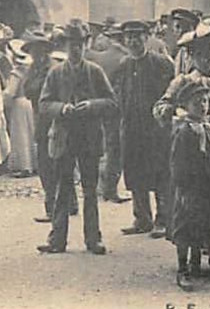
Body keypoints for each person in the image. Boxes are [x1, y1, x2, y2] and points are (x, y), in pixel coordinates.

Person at [37, 19, 118, 256]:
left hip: (89, 138)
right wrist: (62, 108)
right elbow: (44, 104)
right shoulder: (56, 73)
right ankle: (57, 240)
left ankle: (93, 239)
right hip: (63, 137)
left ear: (87, 44)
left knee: (90, 190)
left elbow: (112, 102)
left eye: (80, 44)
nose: (75, 49)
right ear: (65, 46)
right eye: (72, 44)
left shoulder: (95, 72)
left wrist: (92, 105)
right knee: (63, 188)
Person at [112, 20, 174, 237]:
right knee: (135, 171)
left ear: (147, 38)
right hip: (131, 127)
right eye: (129, 37)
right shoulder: (123, 65)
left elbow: (171, 94)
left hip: (155, 128)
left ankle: (164, 219)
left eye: (138, 36)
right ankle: (142, 218)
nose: (133, 41)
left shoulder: (161, 64)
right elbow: (118, 95)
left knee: (159, 172)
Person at [168, 78, 210, 290]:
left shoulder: (209, 129)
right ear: (186, 106)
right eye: (196, 103)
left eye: (204, 101)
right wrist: (181, 188)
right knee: (186, 226)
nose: (202, 106)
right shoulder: (184, 131)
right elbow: (177, 162)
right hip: (190, 187)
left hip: (209, 185)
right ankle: (183, 270)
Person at [85, 22, 129, 203]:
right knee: (114, 149)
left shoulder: (97, 57)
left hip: (96, 106)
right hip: (116, 108)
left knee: (98, 146)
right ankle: (110, 189)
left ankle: (96, 186)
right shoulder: (125, 58)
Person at [23, 32, 58, 222]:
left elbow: (43, 91)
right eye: (32, 51)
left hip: (53, 120)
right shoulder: (32, 69)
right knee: (45, 164)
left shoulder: (52, 69)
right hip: (40, 119)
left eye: (39, 50)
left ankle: (57, 207)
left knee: (53, 163)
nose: (35, 54)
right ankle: (54, 206)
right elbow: (26, 89)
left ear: (45, 50)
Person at [5, 42, 36, 177]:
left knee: (21, 135)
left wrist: (3, 102)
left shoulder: (16, 73)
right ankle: (34, 164)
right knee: (31, 134)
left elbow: (10, 92)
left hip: (19, 103)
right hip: (30, 102)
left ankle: (24, 166)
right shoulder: (31, 70)